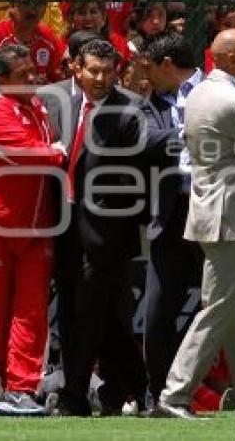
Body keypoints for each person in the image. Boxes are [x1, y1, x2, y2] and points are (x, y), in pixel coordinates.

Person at [155, 29, 235, 419]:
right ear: (228, 59)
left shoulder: (197, 95)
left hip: (212, 210)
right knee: (218, 308)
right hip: (232, 215)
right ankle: (174, 394)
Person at [46, 38, 147, 416]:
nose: (101, 78)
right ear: (76, 68)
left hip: (108, 236)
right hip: (66, 227)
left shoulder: (131, 110)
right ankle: (133, 387)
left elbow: (135, 176)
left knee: (87, 316)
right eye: (93, 70)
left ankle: (74, 397)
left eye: (108, 71)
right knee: (88, 316)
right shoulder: (63, 104)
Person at [0, 44, 66, 417]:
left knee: (32, 312)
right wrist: (57, 152)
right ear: (1, 78)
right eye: (24, 75)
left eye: (35, 73)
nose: (33, 79)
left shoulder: (36, 107)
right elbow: (17, 151)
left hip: (37, 227)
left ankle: (23, 388)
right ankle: (2, 389)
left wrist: (52, 147)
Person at [137, 31, 205, 409]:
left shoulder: (213, 91)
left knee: (225, 303)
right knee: (159, 309)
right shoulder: (150, 104)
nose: (146, 77)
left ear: (166, 65)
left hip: (211, 209)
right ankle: (158, 392)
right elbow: (145, 141)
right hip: (171, 213)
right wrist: (190, 136)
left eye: (151, 69)